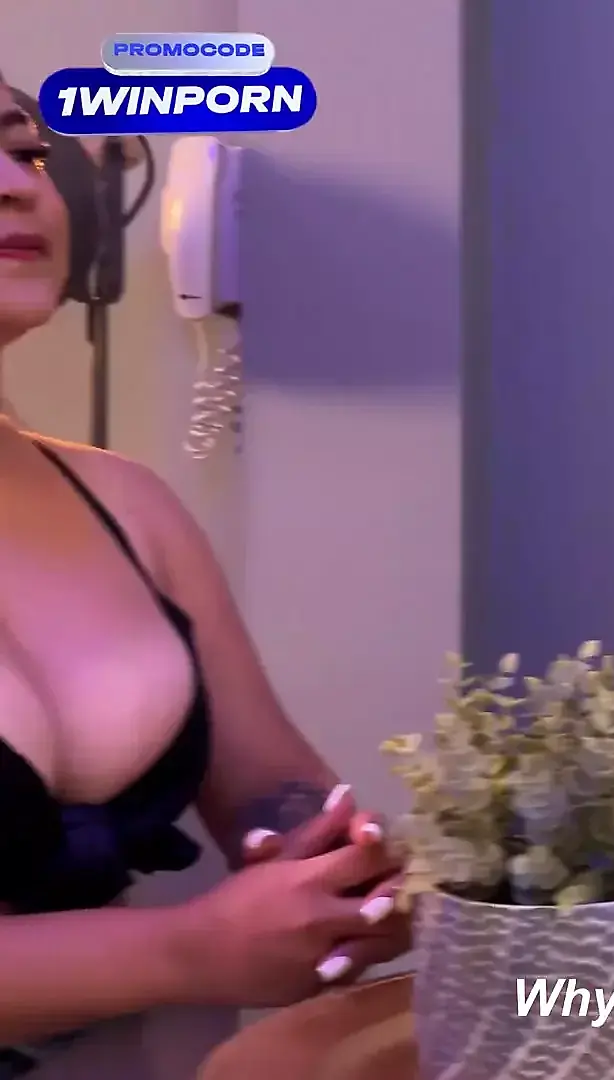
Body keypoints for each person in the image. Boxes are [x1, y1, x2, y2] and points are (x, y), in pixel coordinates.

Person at [0, 74, 410, 1075]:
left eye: (23, 150)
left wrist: (350, 875)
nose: (19, 184)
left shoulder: (126, 503)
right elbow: (192, 947)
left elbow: (278, 790)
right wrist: (188, 947)